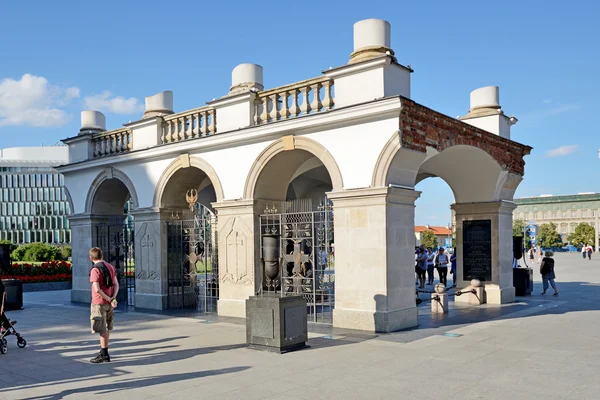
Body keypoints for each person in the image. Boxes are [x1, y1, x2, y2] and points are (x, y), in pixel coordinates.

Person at [89, 247, 119, 364]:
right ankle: (104, 351)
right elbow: (116, 284)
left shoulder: (95, 270)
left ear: (91, 258)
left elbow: (97, 289)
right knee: (107, 327)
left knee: (101, 328)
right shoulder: (111, 267)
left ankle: (104, 353)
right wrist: (113, 298)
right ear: (102, 256)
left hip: (99, 303)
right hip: (110, 303)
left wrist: (106, 298)